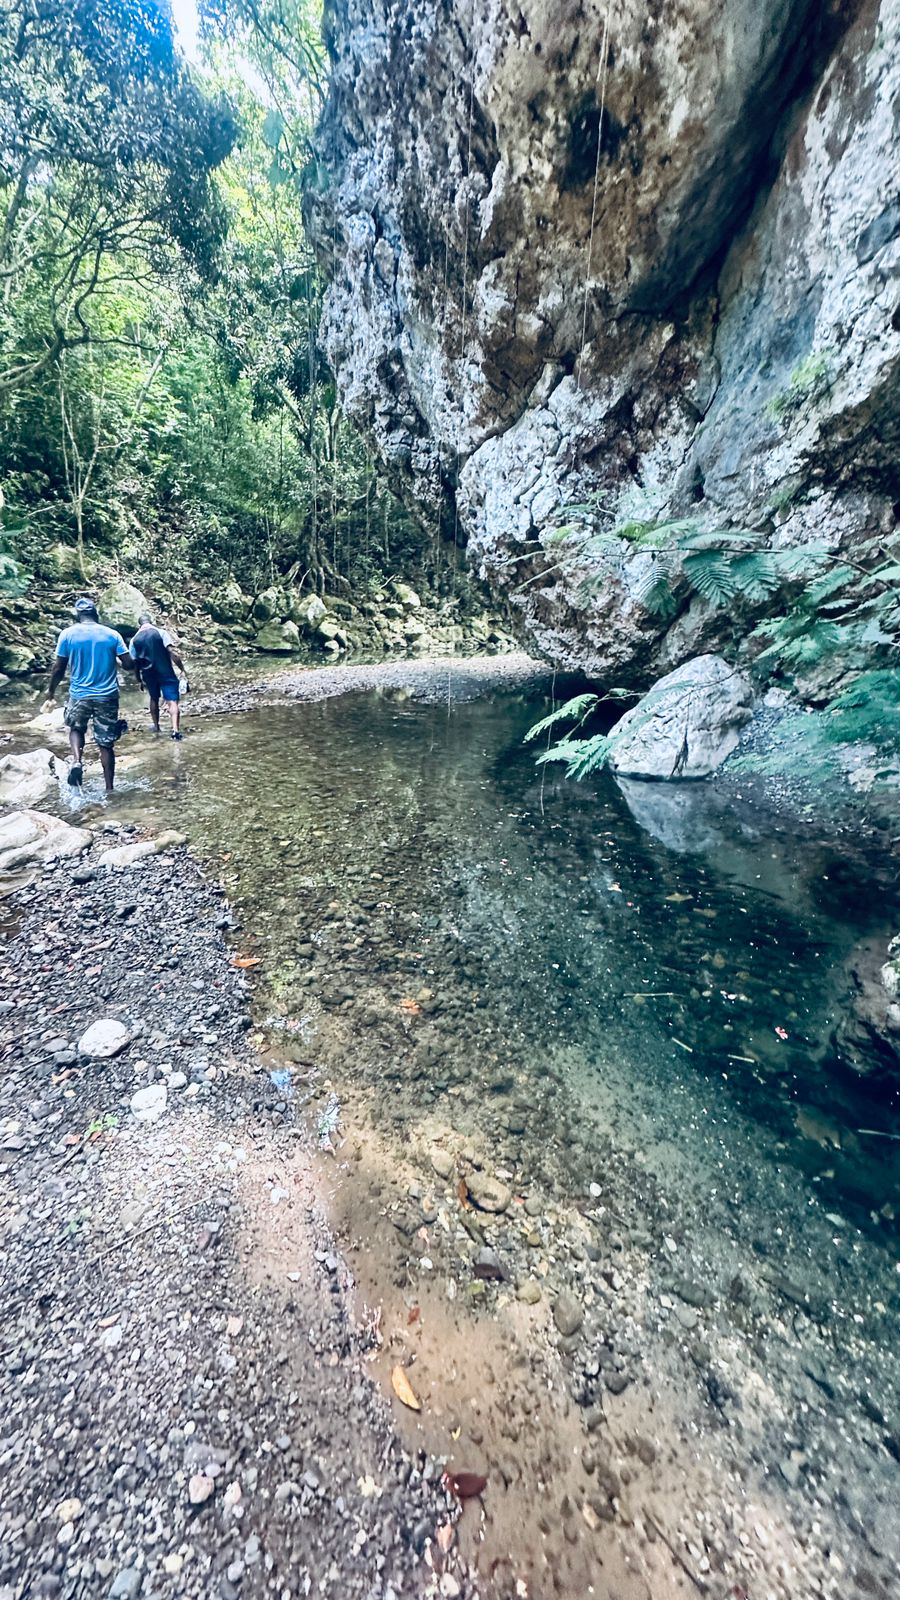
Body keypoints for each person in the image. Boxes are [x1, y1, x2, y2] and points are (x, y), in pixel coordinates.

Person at [44, 596, 138, 792]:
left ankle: (77, 761)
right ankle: (110, 789)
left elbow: (59, 668)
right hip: (107, 696)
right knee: (106, 743)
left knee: (76, 728)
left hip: (79, 695)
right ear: (96, 613)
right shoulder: (112, 635)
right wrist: (118, 662)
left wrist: (51, 691)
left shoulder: (67, 635)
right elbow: (129, 664)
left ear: (78, 615)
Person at [129, 612, 188, 739]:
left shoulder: (135, 640)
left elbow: (135, 663)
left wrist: (139, 680)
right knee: (172, 701)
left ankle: (156, 726)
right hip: (165, 671)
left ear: (139, 625)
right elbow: (172, 653)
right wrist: (182, 669)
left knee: (154, 698)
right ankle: (175, 730)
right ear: (151, 622)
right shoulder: (161, 633)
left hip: (148, 673)